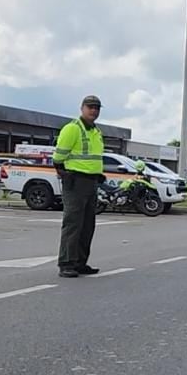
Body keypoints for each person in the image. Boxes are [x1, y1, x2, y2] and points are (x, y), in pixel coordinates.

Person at [54, 95, 105, 278]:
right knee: (73, 223)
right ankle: (66, 263)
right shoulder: (72, 129)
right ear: (82, 108)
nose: (94, 110)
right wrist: (63, 170)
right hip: (75, 181)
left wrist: (98, 174)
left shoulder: (96, 132)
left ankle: (80, 262)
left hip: (91, 181)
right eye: (90, 107)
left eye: (97, 108)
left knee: (87, 225)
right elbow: (59, 156)